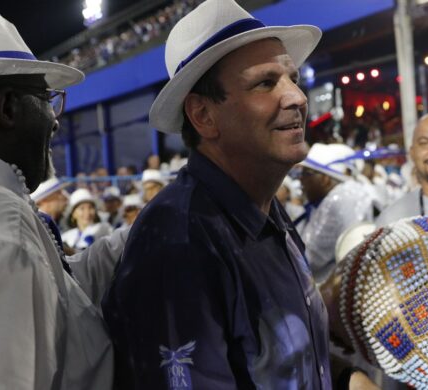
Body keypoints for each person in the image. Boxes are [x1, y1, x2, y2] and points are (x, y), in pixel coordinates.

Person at [102, 0, 335, 388]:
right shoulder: (179, 241)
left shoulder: (266, 210)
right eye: (265, 82)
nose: (296, 97)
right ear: (203, 116)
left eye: (292, 78)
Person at [0, 14, 115, 389]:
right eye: (46, 98)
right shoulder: (8, 222)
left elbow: (62, 297)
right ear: (8, 107)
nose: (55, 120)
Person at [297, 143, 374, 282]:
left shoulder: (342, 198)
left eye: (306, 173)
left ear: (325, 179)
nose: (300, 179)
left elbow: (308, 257)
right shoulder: (346, 195)